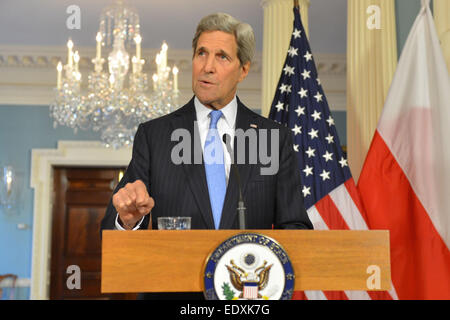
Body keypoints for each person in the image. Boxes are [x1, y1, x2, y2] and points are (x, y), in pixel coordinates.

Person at [100, 12, 312, 299]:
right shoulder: (155, 135)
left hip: (247, 298)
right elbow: (115, 226)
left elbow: (295, 227)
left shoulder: (273, 138)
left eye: (222, 57)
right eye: (201, 53)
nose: (207, 67)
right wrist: (128, 219)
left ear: (244, 69)